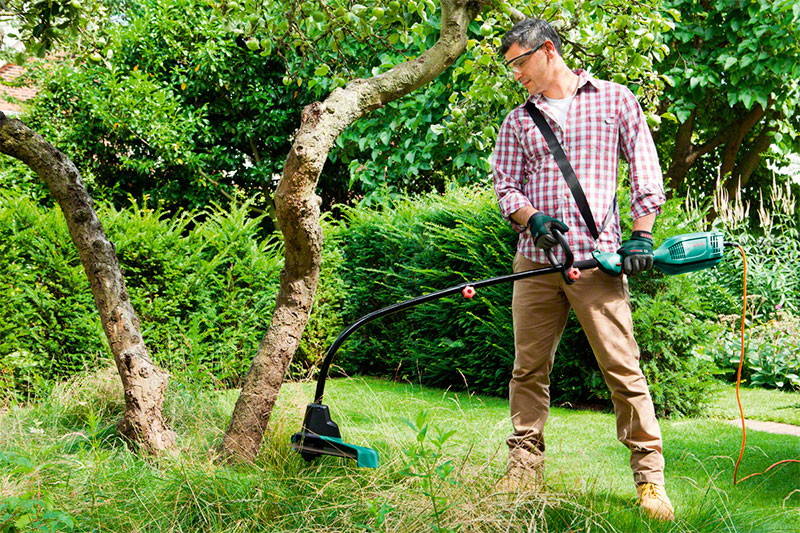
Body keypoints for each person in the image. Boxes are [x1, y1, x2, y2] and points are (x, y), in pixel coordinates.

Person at [491, 18, 674, 521]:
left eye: (518, 63)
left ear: (547, 50)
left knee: (623, 369)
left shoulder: (615, 100)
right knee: (528, 369)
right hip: (536, 262)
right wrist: (532, 217)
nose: (515, 76)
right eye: (510, 68)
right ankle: (523, 471)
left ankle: (650, 482)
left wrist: (642, 233)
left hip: (597, 262)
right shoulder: (517, 121)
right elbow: (506, 185)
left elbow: (644, 168)